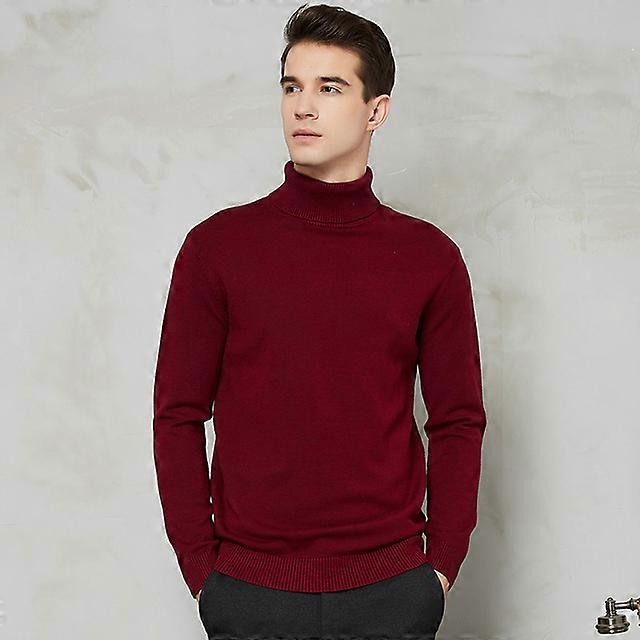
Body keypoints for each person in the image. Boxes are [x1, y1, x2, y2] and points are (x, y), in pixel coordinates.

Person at [152, 3, 487, 638]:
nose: (303, 107)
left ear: (375, 111)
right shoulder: (216, 248)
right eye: (292, 87)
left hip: (392, 591)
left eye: (329, 88)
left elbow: (458, 420)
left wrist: (440, 566)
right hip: (248, 592)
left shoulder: (429, 258)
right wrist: (202, 568)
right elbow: (177, 415)